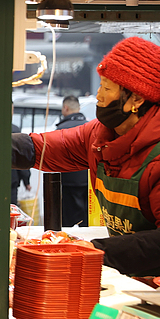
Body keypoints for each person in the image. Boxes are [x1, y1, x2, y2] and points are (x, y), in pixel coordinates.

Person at [0, 37, 160, 277]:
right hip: (132, 279)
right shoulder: (98, 137)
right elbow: (40, 147)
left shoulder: (156, 156)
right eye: (100, 85)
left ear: (136, 99)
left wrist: (92, 251)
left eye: (107, 88)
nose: (98, 95)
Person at [56, 95, 89, 227]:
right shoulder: (91, 126)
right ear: (79, 108)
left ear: (66, 107)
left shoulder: (61, 130)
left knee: (68, 221)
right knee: (87, 219)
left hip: (68, 180)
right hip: (89, 180)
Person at [11, 123, 32, 205]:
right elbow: (21, 157)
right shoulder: (15, 130)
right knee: (11, 208)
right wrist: (26, 182)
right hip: (11, 179)